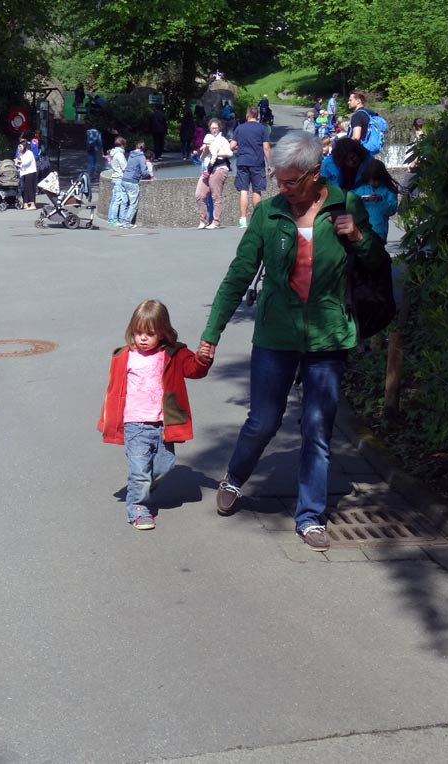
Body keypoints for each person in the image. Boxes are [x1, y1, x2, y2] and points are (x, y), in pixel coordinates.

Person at [198, 131, 388, 551]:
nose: (280, 189)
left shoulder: (346, 205)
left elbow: (376, 262)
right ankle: (235, 477)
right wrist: (211, 335)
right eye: (276, 180)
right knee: (263, 421)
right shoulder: (269, 215)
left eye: (288, 182)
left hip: (329, 338)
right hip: (276, 335)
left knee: (318, 428)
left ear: (314, 174)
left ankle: (310, 516)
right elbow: (238, 276)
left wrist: (358, 236)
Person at [98, 300, 212, 530]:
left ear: (162, 333)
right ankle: (138, 507)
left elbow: (194, 370)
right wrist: (110, 419)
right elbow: (114, 391)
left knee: (165, 465)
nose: (142, 338)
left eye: (149, 333)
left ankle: (140, 486)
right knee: (140, 471)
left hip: (162, 423)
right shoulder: (125, 357)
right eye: (138, 332)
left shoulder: (173, 354)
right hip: (135, 424)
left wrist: (203, 357)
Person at [231, 106, 271, 228]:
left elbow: (232, 146)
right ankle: (256, 218)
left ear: (247, 116)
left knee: (243, 190)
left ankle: (243, 219)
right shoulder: (262, 129)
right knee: (256, 190)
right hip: (257, 162)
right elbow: (266, 147)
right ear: (257, 116)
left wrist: (240, 147)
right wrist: (270, 164)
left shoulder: (239, 128)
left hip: (243, 161)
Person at [195, 118, 232, 230]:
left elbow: (230, 153)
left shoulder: (222, 140)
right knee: (199, 195)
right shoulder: (208, 139)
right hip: (207, 170)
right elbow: (202, 158)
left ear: (219, 128)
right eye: (212, 128)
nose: (214, 130)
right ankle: (203, 220)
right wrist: (205, 151)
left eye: (216, 128)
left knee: (216, 196)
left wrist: (216, 152)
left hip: (219, 168)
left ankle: (216, 221)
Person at [355, 159, 399, 242]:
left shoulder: (388, 190)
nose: (373, 182)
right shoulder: (361, 189)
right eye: (371, 180)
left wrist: (380, 201)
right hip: (362, 231)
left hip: (380, 231)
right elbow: (351, 202)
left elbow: (392, 210)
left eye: (376, 180)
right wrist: (358, 200)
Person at [118, 141, 147, 229]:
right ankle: (127, 223)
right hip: (132, 181)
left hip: (124, 179)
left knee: (124, 202)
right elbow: (144, 171)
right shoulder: (141, 156)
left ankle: (121, 221)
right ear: (142, 148)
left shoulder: (131, 154)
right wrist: (148, 174)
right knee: (133, 204)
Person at [106, 136, 128, 227]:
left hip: (115, 177)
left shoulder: (114, 153)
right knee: (117, 200)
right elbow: (125, 167)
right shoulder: (119, 154)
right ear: (123, 145)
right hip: (119, 178)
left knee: (114, 200)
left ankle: (110, 218)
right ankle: (114, 220)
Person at [15, 138, 38, 210]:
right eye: (19, 147)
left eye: (21, 147)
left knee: (30, 188)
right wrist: (18, 162)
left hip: (30, 172)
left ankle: (32, 204)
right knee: (24, 188)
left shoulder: (29, 153)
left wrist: (19, 162)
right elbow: (17, 162)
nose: (19, 149)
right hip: (23, 172)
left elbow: (25, 162)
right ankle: (25, 203)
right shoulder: (20, 154)